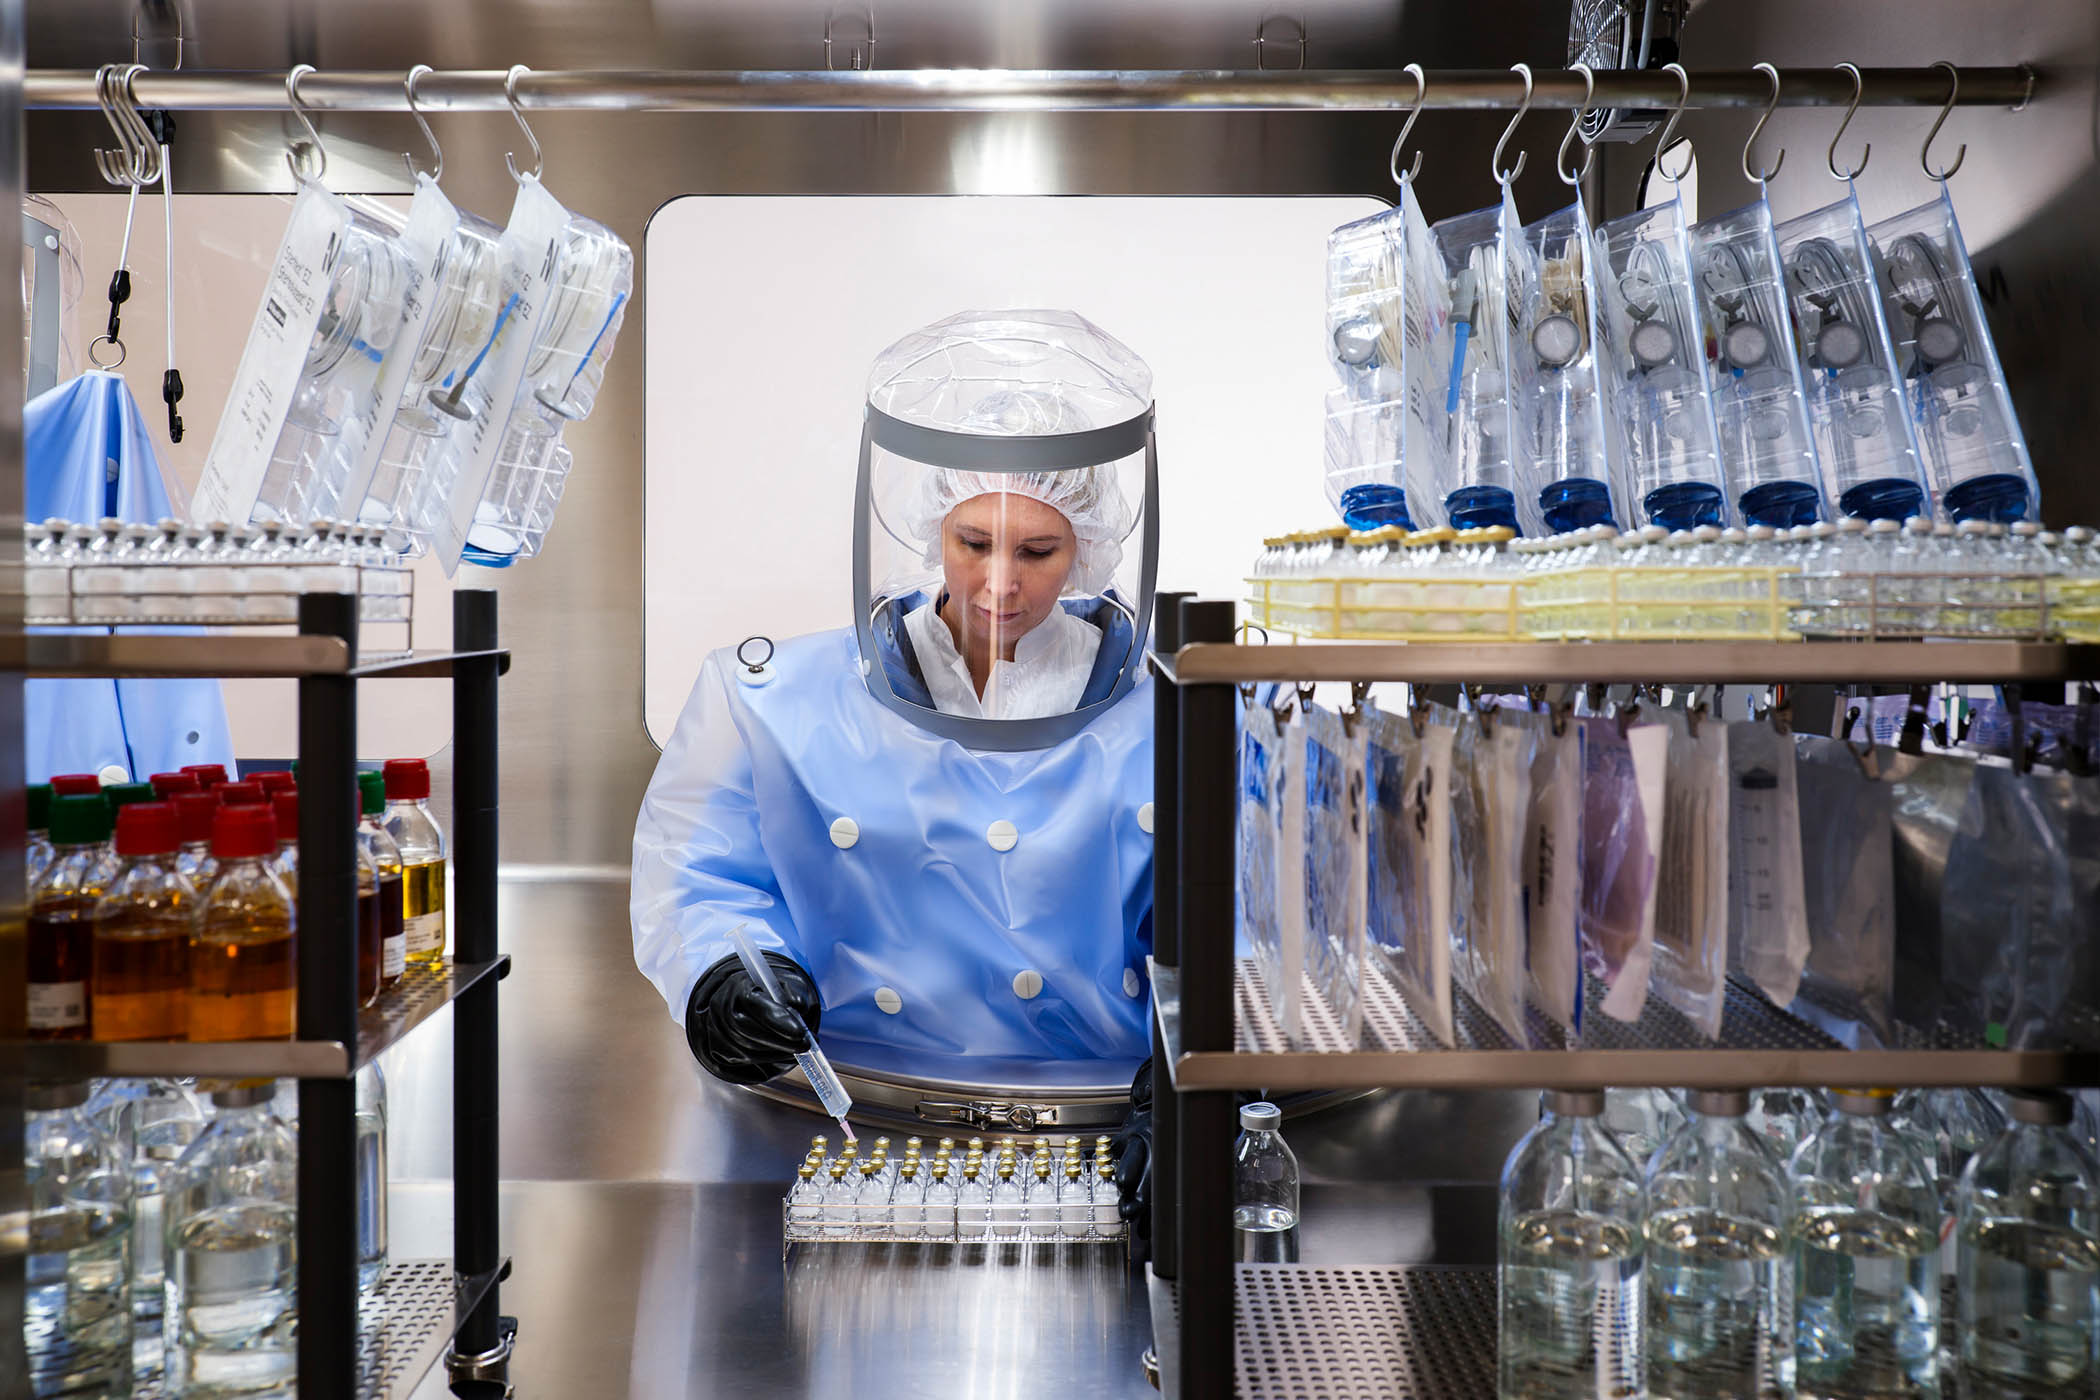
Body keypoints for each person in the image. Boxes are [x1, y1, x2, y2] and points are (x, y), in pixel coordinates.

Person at [630, 310, 1161, 1096]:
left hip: (1100, 1105)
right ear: (931, 530)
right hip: (844, 1106)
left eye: (1039, 551)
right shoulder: (772, 703)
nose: (1000, 584)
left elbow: (1246, 923)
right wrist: (728, 972)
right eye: (973, 544)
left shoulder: (1173, 714)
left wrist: (1190, 1074)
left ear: (1088, 545)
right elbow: (700, 876)